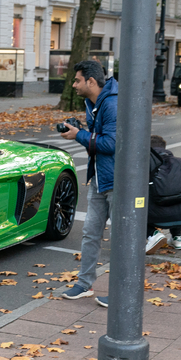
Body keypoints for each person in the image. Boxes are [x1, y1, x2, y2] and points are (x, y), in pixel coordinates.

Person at [60, 60, 118, 308]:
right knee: (90, 233)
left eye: (77, 80)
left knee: (120, 238)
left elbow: (111, 144)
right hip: (99, 178)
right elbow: (98, 138)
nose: (73, 85)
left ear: (91, 82)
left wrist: (79, 135)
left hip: (117, 180)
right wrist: (81, 130)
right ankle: (85, 284)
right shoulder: (92, 102)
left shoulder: (112, 103)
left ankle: (120, 291)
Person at [147, 135, 181, 251]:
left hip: (157, 218)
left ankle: (153, 234)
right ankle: (177, 238)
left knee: (135, 207)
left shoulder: (146, 164)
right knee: (176, 199)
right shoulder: (180, 162)